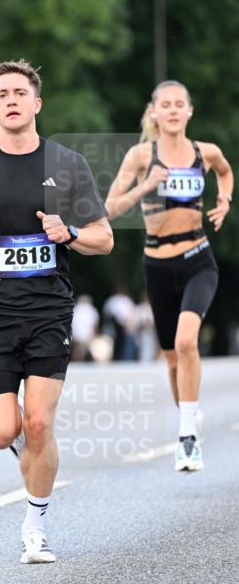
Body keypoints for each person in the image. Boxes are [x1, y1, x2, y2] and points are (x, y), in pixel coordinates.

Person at [0, 59, 113, 564]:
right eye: (2, 94)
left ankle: (36, 526)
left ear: (37, 103)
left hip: (49, 312)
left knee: (37, 424)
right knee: (0, 433)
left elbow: (103, 238)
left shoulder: (67, 164)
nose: (11, 100)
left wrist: (69, 233)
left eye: (19, 93)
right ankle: (21, 443)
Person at [105, 80, 233, 471]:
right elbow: (110, 207)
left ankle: (187, 439)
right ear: (155, 112)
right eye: (167, 104)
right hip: (157, 265)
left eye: (180, 104)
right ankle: (188, 414)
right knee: (173, 360)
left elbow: (225, 172)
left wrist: (224, 199)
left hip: (197, 259)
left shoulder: (205, 152)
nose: (174, 110)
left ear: (189, 111)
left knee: (186, 342)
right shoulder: (141, 155)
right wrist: (147, 184)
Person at [102, 286, 138, 361]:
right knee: (117, 341)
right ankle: (120, 357)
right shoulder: (117, 300)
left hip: (123, 324)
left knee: (123, 341)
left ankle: (122, 357)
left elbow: (107, 312)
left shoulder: (117, 300)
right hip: (117, 324)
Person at [71, 294, 99, 361]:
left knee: (78, 350)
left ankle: (77, 362)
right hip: (87, 334)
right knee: (88, 349)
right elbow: (94, 324)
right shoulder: (91, 309)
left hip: (76, 334)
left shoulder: (75, 309)